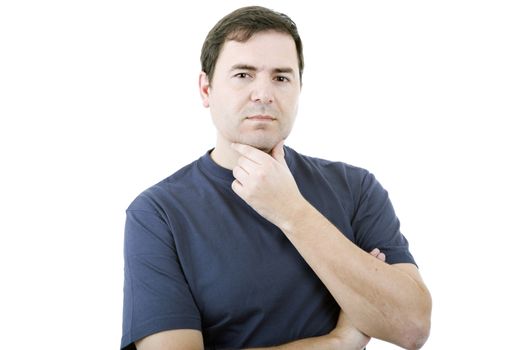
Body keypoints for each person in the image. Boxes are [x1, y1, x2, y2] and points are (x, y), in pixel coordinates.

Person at [121, 6, 432, 350]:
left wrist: (292, 212)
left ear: (299, 88)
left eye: (281, 77)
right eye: (243, 75)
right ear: (206, 89)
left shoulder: (355, 188)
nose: (264, 93)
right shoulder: (158, 213)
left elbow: (412, 327)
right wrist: (337, 343)